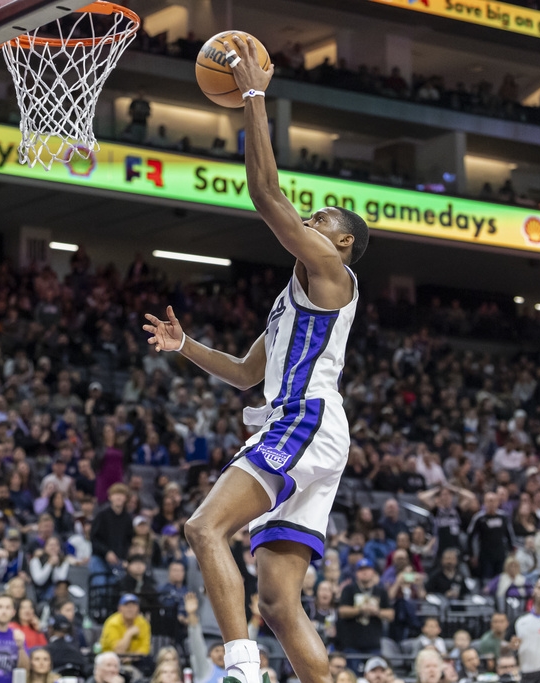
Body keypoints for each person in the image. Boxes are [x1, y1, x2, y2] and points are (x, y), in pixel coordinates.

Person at [144, 34, 369, 683]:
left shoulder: (329, 268)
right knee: (275, 599)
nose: (307, 223)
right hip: (305, 425)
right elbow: (246, 373)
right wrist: (185, 346)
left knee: (203, 527)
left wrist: (252, 97)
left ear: (342, 240)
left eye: (319, 218)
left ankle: (241, 670)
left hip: (304, 419)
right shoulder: (294, 296)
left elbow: (267, 196)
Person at [99, 594, 150, 665]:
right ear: (120, 608)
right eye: (126, 605)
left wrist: (131, 658)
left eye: (133, 606)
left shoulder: (142, 623)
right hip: (111, 660)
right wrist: (129, 634)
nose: (130, 609)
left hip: (135, 660)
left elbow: (145, 649)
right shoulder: (112, 623)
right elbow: (119, 651)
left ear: (138, 608)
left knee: (148, 661)